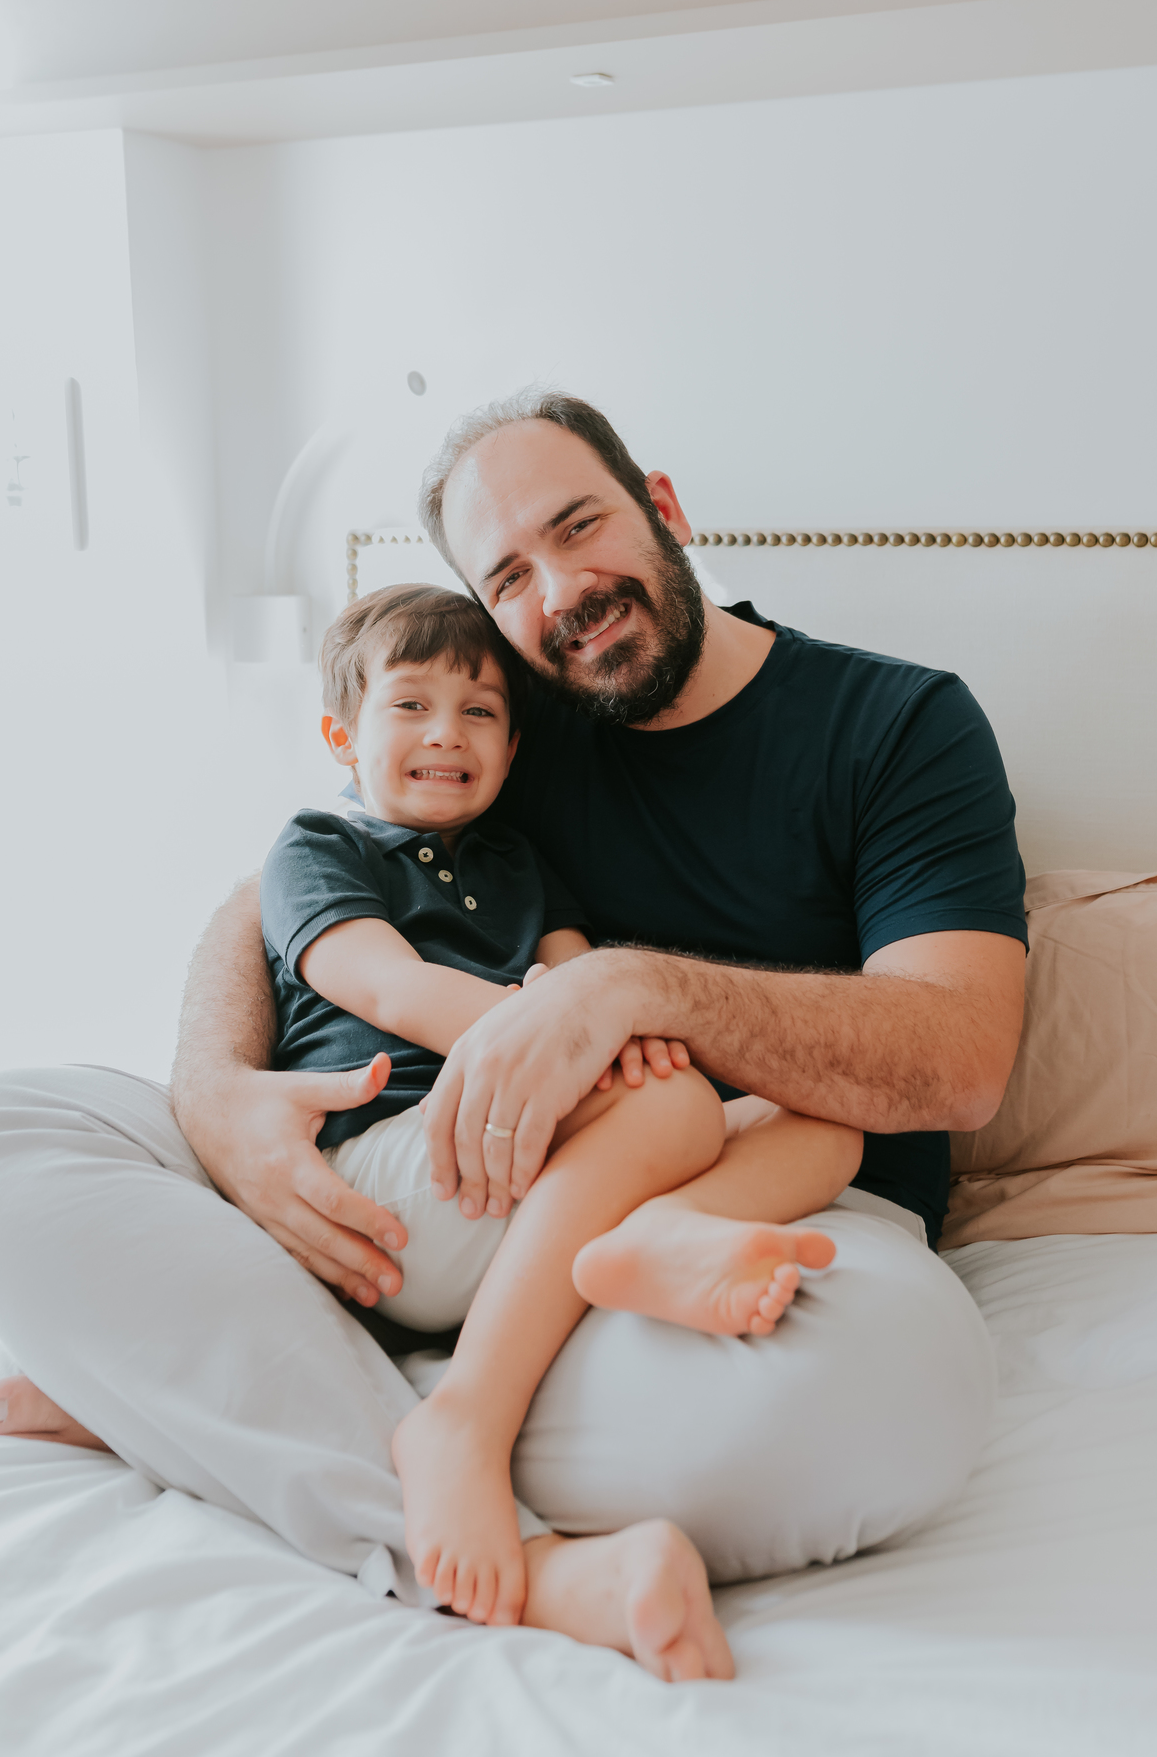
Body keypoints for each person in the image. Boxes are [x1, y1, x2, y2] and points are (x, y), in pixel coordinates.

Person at [0, 388, 1020, 1686]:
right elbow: (278, 892)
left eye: (582, 526)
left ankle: (225, 1390)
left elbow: (961, 1055)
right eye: (510, 573)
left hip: (745, 1214)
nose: (564, 590)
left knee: (892, 1401)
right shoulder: (516, 717)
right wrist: (222, 1093)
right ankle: (447, 1460)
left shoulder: (897, 725)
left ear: (666, 508)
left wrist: (635, 993)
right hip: (447, 1165)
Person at [262, 581, 847, 1629]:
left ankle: (661, 1229)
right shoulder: (318, 849)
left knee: (827, 1120)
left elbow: (587, 979)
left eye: (480, 711)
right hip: (400, 1158)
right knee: (669, 1109)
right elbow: (396, 989)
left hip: (521, 1154)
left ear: (514, 748)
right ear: (339, 733)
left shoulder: (519, 861)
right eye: (411, 705)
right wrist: (563, 1040)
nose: (447, 732)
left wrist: (593, 1030)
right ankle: (461, 1419)